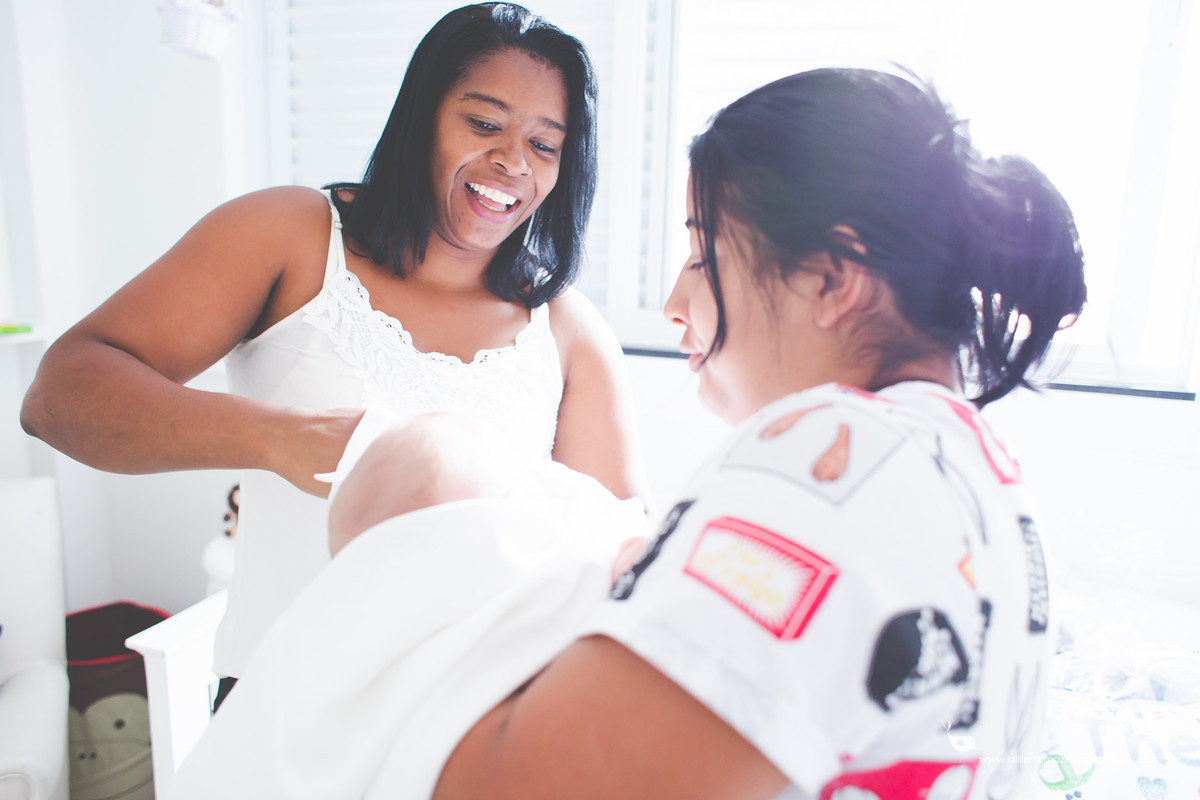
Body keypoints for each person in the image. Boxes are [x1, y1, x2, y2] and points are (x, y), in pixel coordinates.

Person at [163, 66, 1085, 799]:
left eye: (701, 251)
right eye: (482, 124)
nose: (676, 303)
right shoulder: (984, 475)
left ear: (829, 280)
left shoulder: (825, 462)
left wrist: (419, 552)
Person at [18, 2, 649, 693]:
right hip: (281, 711)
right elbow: (59, 397)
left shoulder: (568, 331)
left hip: (468, 731)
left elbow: (613, 569)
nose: (511, 161)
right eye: (484, 123)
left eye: (545, 144)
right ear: (421, 118)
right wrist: (285, 440)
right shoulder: (289, 235)